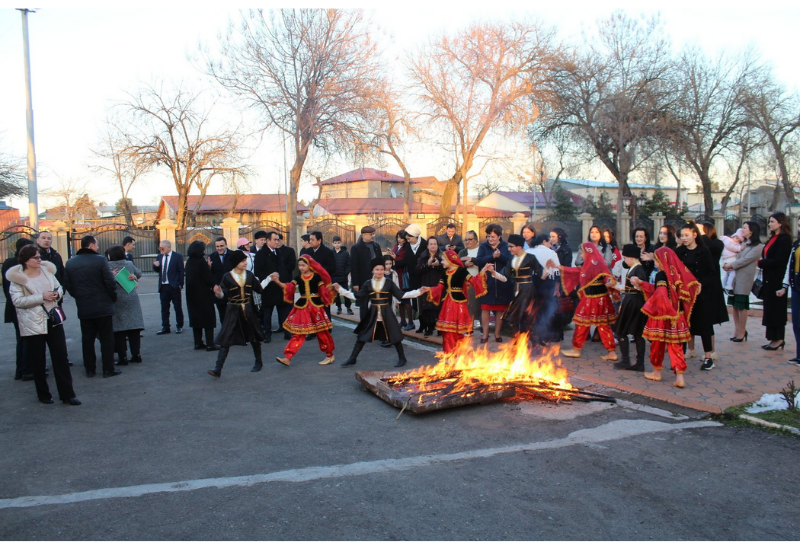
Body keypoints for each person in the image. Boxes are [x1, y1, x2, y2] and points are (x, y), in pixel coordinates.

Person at [8, 244, 80, 405]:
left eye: (40, 256)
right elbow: (17, 301)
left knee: (60, 358)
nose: (40, 259)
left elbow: (58, 287)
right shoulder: (18, 279)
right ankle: (43, 394)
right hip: (33, 323)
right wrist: (41, 297)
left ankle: (68, 394)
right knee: (38, 361)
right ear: (26, 260)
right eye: (36, 257)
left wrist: (56, 294)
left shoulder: (47, 272)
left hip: (53, 320)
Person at [337, 257, 429, 368]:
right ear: (372, 271)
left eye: (381, 269)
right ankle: (352, 358)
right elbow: (357, 296)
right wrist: (341, 290)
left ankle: (402, 358)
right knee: (362, 335)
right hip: (373, 313)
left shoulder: (389, 282)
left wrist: (419, 291)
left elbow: (401, 295)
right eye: (377, 270)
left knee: (394, 335)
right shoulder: (368, 283)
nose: (380, 272)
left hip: (386, 312)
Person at [631, 247, 699, 389]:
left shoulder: (661, 275)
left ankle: (657, 372)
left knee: (657, 345)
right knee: (675, 346)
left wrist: (651, 306)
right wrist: (642, 284)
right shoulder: (677, 273)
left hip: (662, 315)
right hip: (676, 315)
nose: (655, 263)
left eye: (656, 260)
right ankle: (680, 376)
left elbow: (660, 293)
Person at [64, 235, 120, 378]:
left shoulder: (70, 263)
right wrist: (112, 298)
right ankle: (108, 369)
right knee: (106, 338)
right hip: (103, 306)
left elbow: (68, 285)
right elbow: (110, 282)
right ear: (90, 245)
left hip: (84, 307)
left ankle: (90, 369)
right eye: (96, 245)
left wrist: (80, 297)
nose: (98, 247)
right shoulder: (101, 260)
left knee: (87, 339)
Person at [207, 250, 265, 377]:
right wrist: (219, 293)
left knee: (254, 336)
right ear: (235, 263)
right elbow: (224, 294)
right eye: (242, 261)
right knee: (226, 338)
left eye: (245, 260)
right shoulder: (227, 276)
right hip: (233, 310)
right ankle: (218, 368)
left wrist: (270, 279)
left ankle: (258, 362)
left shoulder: (249, 275)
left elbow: (259, 289)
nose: (245, 263)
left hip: (249, 309)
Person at [273, 255, 336, 366]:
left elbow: (323, 291)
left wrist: (332, 290)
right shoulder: (298, 278)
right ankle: (288, 357)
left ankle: (329, 355)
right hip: (302, 308)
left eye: (303, 265)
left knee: (322, 332)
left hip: (316, 307)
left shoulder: (316, 277)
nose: (301, 267)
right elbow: (289, 287)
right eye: (299, 265)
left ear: (309, 265)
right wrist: (277, 281)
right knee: (298, 333)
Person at [560, 242, 619, 360]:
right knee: (596, 325)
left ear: (588, 252)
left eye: (582, 252)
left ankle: (578, 349)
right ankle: (610, 352)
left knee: (590, 324)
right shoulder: (586, 265)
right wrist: (559, 267)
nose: (581, 255)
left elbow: (608, 277)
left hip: (596, 300)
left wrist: (610, 282)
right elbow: (576, 271)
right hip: (592, 299)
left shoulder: (599, 264)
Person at [426, 250, 490, 353]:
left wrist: (483, 271)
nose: (441, 262)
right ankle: (448, 352)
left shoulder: (461, 271)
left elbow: (474, 281)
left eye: (443, 260)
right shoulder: (444, 272)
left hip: (458, 303)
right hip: (447, 303)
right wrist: (429, 289)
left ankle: (457, 351)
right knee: (447, 331)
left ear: (449, 260)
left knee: (456, 330)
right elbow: (439, 288)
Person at [675, 222, 718, 370]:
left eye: (686, 235)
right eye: (682, 236)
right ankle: (680, 357)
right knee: (684, 324)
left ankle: (708, 357)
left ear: (695, 235)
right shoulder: (679, 251)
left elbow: (711, 274)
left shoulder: (703, 251)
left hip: (700, 295)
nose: (684, 238)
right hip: (684, 294)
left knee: (704, 325)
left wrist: (701, 284)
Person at [494, 234, 550, 345]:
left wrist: (547, 269)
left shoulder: (530, 258)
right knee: (513, 318)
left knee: (526, 317)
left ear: (519, 246)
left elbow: (542, 275)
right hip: (517, 290)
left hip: (528, 290)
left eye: (511, 246)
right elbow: (505, 277)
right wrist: (492, 272)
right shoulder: (512, 259)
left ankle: (532, 341)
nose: (509, 249)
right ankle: (520, 340)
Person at [610, 244, 649, 371]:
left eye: (625, 257)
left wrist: (636, 283)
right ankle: (638, 363)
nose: (624, 260)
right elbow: (629, 288)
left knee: (622, 331)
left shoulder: (637, 270)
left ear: (631, 257)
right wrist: (616, 286)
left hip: (633, 303)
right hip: (632, 301)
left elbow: (640, 286)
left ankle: (628, 361)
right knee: (637, 334)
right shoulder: (635, 268)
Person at [758, 212, 793, 351]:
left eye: (772, 221)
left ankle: (779, 338)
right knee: (770, 308)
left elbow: (780, 260)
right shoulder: (773, 238)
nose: (770, 224)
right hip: (768, 278)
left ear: (780, 223)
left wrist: (762, 263)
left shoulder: (784, 240)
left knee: (777, 309)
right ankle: (772, 337)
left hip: (777, 278)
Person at [474, 223, 514, 343]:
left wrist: (500, 256)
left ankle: (497, 334)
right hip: (487, 282)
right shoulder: (483, 247)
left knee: (500, 310)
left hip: (502, 283)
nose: (490, 239)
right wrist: (492, 256)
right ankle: (485, 335)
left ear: (499, 236)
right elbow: (479, 261)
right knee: (485, 308)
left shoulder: (506, 246)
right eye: (488, 236)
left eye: (492, 237)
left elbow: (511, 262)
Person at [723, 221, 763, 342]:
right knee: (735, 305)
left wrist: (731, 265)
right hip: (735, 277)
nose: (743, 230)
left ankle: (742, 331)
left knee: (741, 306)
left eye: (745, 228)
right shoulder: (743, 243)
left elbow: (746, 260)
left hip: (744, 278)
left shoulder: (757, 246)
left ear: (752, 231)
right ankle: (737, 330)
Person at [106, 245, 144, 366]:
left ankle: (123, 357)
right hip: (131, 298)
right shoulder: (129, 264)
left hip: (116, 300)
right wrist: (134, 277)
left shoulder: (107, 266)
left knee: (119, 330)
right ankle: (136, 354)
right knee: (134, 328)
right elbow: (139, 273)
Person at [3, 238, 35, 380]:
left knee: (21, 339)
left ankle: (20, 370)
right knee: (26, 339)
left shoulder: (8, 263)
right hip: (23, 306)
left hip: (12, 305)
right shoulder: (19, 265)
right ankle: (26, 370)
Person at [254, 231, 293, 342]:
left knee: (284, 311)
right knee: (267, 313)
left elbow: (284, 269)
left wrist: (283, 281)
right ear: (268, 241)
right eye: (275, 239)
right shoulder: (261, 254)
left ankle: (287, 332)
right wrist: (270, 278)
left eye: (278, 239)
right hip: (269, 288)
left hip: (280, 287)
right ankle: (267, 334)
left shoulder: (279, 252)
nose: (277, 241)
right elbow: (258, 272)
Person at [526, 233, 561, 344]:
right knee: (545, 310)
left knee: (532, 309)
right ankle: (542, 336)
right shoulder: (551, 253)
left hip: (530, 283)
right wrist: (556, 289)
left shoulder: (529, 251)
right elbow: (557, 272)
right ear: (544, 241)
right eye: (549, 242)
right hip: (547, 284)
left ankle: (530, 334)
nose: (550, 244)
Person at [184, 240, 219, 352]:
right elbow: (208, 278)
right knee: (208, 319)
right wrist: (209, 268)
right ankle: (210, 343)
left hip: (192, 295)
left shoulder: (189, 262)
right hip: (204, 295)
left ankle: (198, 343)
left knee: (196, 320)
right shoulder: (201, 262)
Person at [699, 221, 730, 335]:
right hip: (700, 282)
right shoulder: (698, 245)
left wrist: (702, 235)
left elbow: (712, 249)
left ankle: (710, 350)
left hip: (712, 283)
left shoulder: (717, 243)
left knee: (709, 318)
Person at [779, 218, 800, 364]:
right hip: (797, 285)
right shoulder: (796, 244)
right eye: (799, 224)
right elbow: (789, 266)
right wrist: (785, 285)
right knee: (797, 322)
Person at [152, 239, 185, 336]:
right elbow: (157, 269)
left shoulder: (177, 256)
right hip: (163, 286)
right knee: (164, 308)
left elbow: (181, 271)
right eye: (160, 248)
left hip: (174, 286)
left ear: (169, 247)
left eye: (162, 248)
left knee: (177, 307)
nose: (160, 250)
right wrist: (156, 266)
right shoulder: (159, 256)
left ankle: (179, 325)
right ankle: (165, 327)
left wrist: (180, 284)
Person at [349, 226, 383, 316]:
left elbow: (380, 261)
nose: (373, 236)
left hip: (376, 280)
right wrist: (355, 283)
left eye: (373, 234)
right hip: (362, 280)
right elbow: (354, 266)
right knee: (363, 305)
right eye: (371, 234)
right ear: (364, 235)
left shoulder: (376, 246)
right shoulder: (356, 248)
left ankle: (374, 324)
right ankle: (364, 326)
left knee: (376, 304)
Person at [416, 236, 445, 337]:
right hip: (426, 284)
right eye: (431, 244)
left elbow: (447, 269)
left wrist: (439, 265)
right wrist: (427, 265)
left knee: (439, 307)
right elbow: (418, 270)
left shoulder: (442, 255)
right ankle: (429, 328)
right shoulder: (423, 256)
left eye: (435, 244)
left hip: (439, 285)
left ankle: (440, 328)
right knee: (427, 307)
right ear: (428, 246)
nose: (433, 246)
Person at [458, 230, 483, 335]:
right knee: (469, 306)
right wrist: (465, 265)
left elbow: (484, 261)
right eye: (466, 240)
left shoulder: (481, 250)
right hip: (467, 283)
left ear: (476, 240)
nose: (467, 242)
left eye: (470, 239)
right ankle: (469, 327)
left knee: (482, 306)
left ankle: (483, 327)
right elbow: (456, 266)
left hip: (481, 282)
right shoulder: (462, 252)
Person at [388, 230, 414, 330]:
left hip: (403, 275)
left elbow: (406, 260)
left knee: (406, 299)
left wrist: (395, 259)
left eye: (401, 238)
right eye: (398, 237)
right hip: (396, 275)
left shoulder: (407, 247)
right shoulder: (396, 246)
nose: (399, 240)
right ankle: (403, 321)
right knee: (400, 299)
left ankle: (411, 322)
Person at [404, 223, 427, 328]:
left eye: (410, 238)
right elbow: (407, 261)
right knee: (415, 300)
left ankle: (426, 325)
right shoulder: (407, 245)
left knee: (425, 302)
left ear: (416, 237)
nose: (408, 241)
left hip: (424, 278)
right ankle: (418, 323)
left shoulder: (425, 245)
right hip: (412, 277)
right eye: (407, 239)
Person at [209, 237, 235, 323]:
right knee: (222, 312)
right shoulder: (212, 257)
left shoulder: (233, 255)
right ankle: (225, 331)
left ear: (226, 245)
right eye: (217, 246)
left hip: (233, 288)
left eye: (221, 246)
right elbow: (211, 274)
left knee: (234, 311)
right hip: (219, 288)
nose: (219, 248)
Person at [331, 236, 352, 315]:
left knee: (345, 293)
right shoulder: (331, 253)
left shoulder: (345, 253)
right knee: (336, 294)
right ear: (333, 244)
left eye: (338, 243)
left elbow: (349, 264)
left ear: (341, 243)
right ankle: (339, 307)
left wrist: (345, 272)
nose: (337, 245)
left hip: (343, 277)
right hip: (334, 277)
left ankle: (348, 308)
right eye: (335, 243)